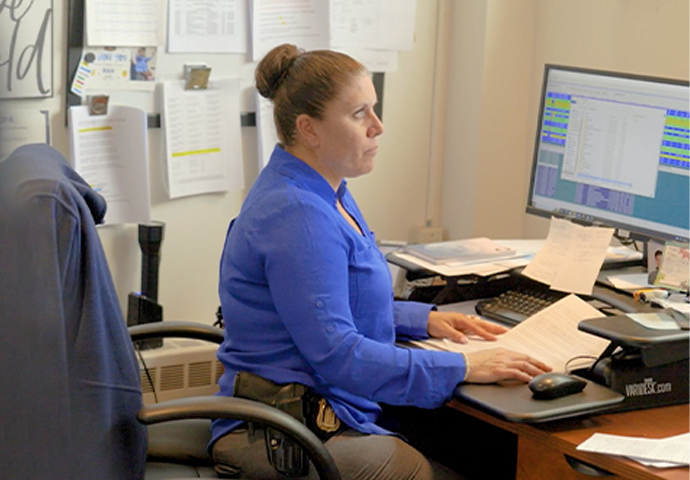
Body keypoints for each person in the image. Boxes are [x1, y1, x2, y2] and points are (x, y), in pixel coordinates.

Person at [211, 44, 551, 480]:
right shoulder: (299, 216)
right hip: (284, 431)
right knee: (438, 464)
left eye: (374, 109)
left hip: (315, 407)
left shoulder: (322, 190)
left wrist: (423, 320)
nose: (378, 126)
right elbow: (340, 356)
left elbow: (331, 298)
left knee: (481, 449)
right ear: (308, 129)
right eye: (359, 114)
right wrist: (464, 366)